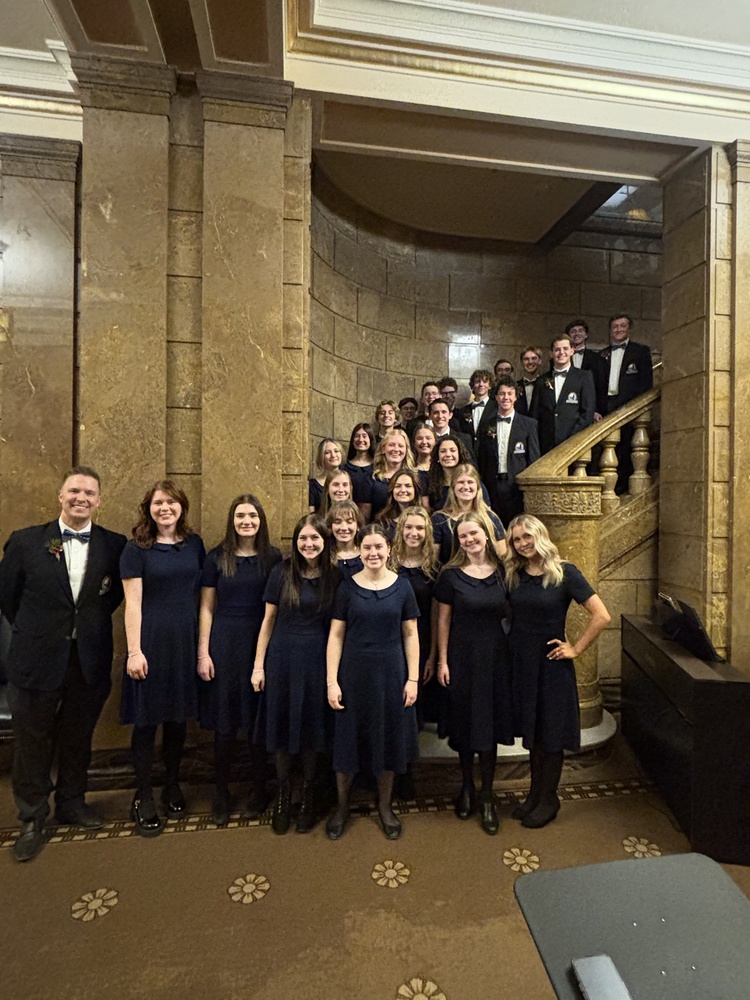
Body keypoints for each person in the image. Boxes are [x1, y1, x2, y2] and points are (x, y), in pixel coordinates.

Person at [0, 466, 126, 862]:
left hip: (87, 658)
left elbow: (112, 598)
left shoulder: (114, 545)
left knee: (78, 736)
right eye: (74, 491)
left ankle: (72, 802)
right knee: (32, 741)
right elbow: (8, 598)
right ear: (60, 495)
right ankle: (33, 817)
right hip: (35, 660)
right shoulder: (25, 543)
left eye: (89, 493)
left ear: (99, 500)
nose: (81, 498)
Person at [504, 514, 610, 828]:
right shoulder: (516, 574)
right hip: (522, 664)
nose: (522, 544)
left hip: (551, 665)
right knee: (535, 735)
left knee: (550, 734)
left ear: (540, 535)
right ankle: (535, 795)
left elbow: (601, 615)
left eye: (527, 537)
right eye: (516, 540)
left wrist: (575, 648)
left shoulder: (565, 572)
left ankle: (549, 799)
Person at [120, 480, 205, 837]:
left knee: (176, 719)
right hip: (151, 639)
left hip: (185, 638)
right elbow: (133, 604)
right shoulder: (136, 548)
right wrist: (134, 651)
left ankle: (172, 783)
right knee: (146, 720)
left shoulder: (194, 544)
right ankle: (143, 795)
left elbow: (204, 595)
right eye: (158, 503)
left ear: (182, 507)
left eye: (171, 502)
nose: (165, 508)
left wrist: (203, 646)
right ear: (148, 508)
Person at [326, 524, 420, 841]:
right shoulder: (347, 587)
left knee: (387, 741)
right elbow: (336, 636)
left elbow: (410, 634)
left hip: (391, 674)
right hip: (352, 675)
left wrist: (413, 678)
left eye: (379, 547)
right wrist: (331, 681)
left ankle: (385, 807)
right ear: (360, 551)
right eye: (367, 547)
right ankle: (341, 808)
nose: (373, 553)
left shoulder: (403, 587)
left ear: (389, 549)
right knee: (347, 742)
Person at [197, 494, 281, 827]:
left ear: (261, 520)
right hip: (224, 643)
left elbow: (275, 609)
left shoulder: (274, 558)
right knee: (225, 724)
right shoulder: (216, 558)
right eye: (240, 516)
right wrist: (203, 651)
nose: (246, 521)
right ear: (232, 520)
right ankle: (221, 792)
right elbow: (206, 607)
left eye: (252, 516)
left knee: (257, 721)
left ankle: (259, 789)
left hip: (261, 643)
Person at [252, 515, 338, 835]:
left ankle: (309, 795)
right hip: (282, 659)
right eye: (303, 538)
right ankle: (284, 793)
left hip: (317, 660)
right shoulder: (281, 573)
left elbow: (337, 630)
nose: (309, 544)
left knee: (312, 728)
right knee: (283, 725)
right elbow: (268, 621)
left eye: (315, 538)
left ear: (325, 541)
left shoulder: (335, 577)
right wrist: (258, 665)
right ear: (295, 542)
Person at [435, 512, 513, 835]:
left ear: (485, 534)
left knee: (488, 724)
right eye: (463, 536)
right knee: (465, 722)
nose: (469, 540)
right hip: (461, 655)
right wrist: (442, 660)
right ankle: (466, 786)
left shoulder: (504, 573)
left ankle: (486, 795)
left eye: (474, 534)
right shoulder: (450, 576)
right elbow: (442, 621)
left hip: (495, 656)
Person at [390, 507, 439, 735]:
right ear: (400, 530)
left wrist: (432, 656)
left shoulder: (433, 568)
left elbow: (437, 614)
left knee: (413, 697)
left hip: (421, 639)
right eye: (409, 527)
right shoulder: (387, 562)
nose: (414, 532)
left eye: (419, 528)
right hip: (390, 640)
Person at [598, 314, 653, 491]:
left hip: (630, 407)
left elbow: (646, 384)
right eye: (615, 326)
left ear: (629, 328)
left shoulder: (640, 352)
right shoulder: (602, 355)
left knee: (628, 447)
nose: (619, 330)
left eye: (622, 326)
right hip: (607, 407)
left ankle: (625, 487)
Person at [477, 377, 540, 526]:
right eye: (502, 394)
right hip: (492, 486)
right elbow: (482, 457)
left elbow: (534, 460)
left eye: (510, 394)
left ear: (516, 397)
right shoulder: (486, 425)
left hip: (516, 488)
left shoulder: (529, 424)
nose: (506, 397)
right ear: (496, 397)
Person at [530, 335, 596, 455]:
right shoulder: (541, 381)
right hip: (546, 446)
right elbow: (535, 415)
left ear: (572, 351)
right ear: (551, 353)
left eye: (565, 348)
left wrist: (572, 439)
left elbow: (587, 412)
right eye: (557, 350)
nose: (561, 352)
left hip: (574, 445)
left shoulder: (584, 377)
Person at [431, 464, 505, 564]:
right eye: (461, 482)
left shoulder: (490, 518)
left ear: (478, 487)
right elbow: (433, 560)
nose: (466, 487)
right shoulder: (439, 519)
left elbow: (502, 555)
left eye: (470, 482)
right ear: (453, 488)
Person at [423, 434, 486, 514]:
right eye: (443, 451)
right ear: (437, 456)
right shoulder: (430, 483)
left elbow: (485, 513)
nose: (448, 454)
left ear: (459, 454)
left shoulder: (473, 484)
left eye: (452, 450)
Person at [367, 428, 416, 520]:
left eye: (401, 446)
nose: (396, 449)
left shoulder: (415, 477)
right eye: (391, 445)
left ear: (406, 450)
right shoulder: (371, 477)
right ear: (383, 449)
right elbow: (365, 515)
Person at [565, 319, 605, 418]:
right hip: (567, 409)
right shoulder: (560, 358)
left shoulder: (597, 359)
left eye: (580, 331)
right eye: (573, 331)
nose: (577, 334)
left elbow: (600, 388)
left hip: (590, 411)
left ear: (586, 335)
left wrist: (595, 411)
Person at [375, 468, 422, 539]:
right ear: (392, 490)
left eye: (408, 486)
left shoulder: (425, 519)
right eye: (398, 486)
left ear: (415, 490)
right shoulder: (382, 521)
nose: (403, 490)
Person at [456, 368, 494, 446]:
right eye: (477, 381)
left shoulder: (497, 409)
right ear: (472, 385)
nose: (481, 384)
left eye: (485, 382)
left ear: (490, 386)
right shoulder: (463, 412)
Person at [327, 499, 364, 578]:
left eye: (349, 521)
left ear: (358, 526)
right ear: (330, 526)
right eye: (337, 522)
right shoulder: (324, 556)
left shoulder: (366, 555)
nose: (344, 528)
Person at [343, 423, 376, 507]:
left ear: (370, 439)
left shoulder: (378, 466)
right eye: (357, 436)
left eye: (364, 436)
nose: (360, 439)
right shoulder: (344, 468)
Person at [309, 438, 344, 512]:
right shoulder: (313, 485)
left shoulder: (348, 479)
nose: (333, 455)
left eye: (336, 451)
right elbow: (311, 515)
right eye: (327, 452)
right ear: (321, 456)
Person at [516, 346, 544, 416]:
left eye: (534, 358)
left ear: (540, 361)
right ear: (521, 362)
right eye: (526, 359)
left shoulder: (546, 386)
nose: (530, 362)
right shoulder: (515, 386)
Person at [412, 422, 437, 494]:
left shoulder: (441, 468)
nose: (424, 442)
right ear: (414, 443)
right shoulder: (408, 468)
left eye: (428, 438)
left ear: (435, 442)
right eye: (419, 438)